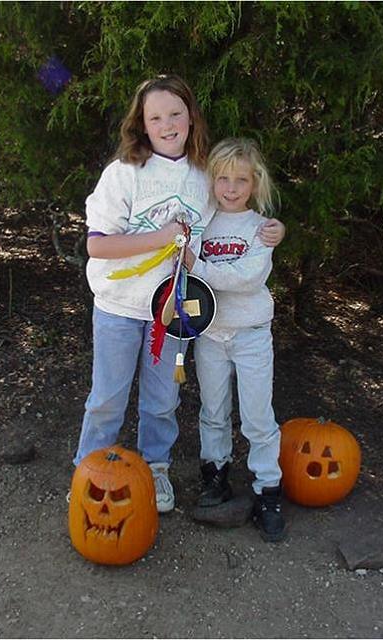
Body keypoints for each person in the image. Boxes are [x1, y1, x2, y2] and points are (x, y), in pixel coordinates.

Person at [74, 75, 285, 514]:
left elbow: (235, 209)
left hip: (171, 311)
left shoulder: (203, 175)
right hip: (118, 306)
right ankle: (87, 473)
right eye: (155, 117)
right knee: (108, 399)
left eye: (175, 113)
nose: (167, 124)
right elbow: (97, 245)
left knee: (162, 398)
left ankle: (156, 469)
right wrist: (161, 237)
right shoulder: (124, 173)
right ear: (143, 125)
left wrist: (273, 230)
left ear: (191, 116)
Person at [183, 138, 285, 542]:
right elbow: (182, 263)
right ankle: (215, 475)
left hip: (251, 333)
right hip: (209, 332)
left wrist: (200, 266)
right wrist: (192, 261)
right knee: (213, 408)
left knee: (258, 415)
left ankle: (268, 490)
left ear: (254, 183)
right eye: (222, 178)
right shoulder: (200, 223)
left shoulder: (260, 229)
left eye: (240, 180)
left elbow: (248, 279)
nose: (229, 188)